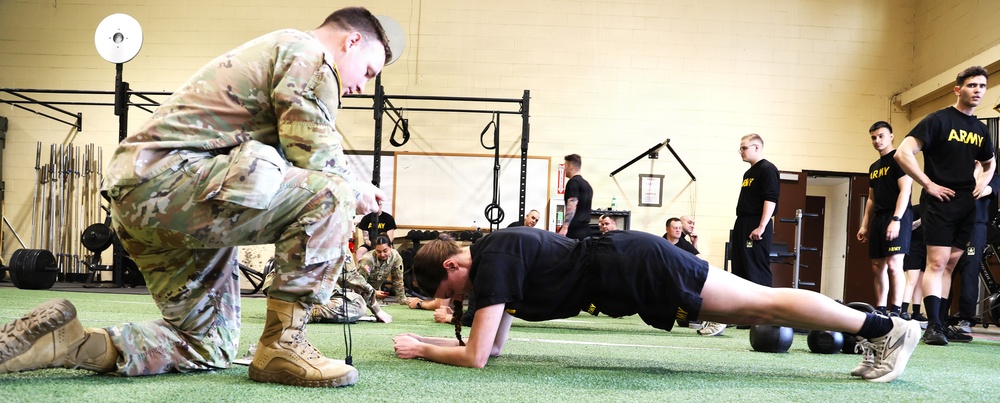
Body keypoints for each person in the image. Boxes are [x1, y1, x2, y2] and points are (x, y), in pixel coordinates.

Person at [0, 7, 391, 388]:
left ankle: (69, 343)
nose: (361, 85)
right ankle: (283, 344)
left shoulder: (281, 51)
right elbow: (315, 154)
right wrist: (354, 192)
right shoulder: (309, 52)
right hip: (169, 185)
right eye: (369, 71)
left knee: (209, 344)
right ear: (352, 41)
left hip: (157, 200)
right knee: (331, 193)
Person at [392, 228, 921, 383]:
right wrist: (434, 341)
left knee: (766, 302)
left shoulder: (495, 257)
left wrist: (420, 348)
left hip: (637, 264)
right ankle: (880, 330)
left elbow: (478, 357)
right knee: (763, 311)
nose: (461, 302)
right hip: (632, 275)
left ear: (452, 268)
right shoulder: (492, 258)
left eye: (452, 294)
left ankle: (886, 328)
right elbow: (495, 346)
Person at [894, 65, 996, 346]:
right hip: (940, 201)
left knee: (950, 264)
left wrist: (984, 182)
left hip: (966, 204)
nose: (977, 91)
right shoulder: (938, 120)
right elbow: (903, 153)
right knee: (936, 263)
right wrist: (928, 184)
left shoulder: (980, 129)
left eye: (982, 87)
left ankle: (941, 322)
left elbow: (990, 162)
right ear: (958, 89)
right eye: (972, 85)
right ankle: (933, 325)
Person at [705, 134, 779, 337]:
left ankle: (764, 316)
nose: (741, 152)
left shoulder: (767, 169)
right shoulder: (748, 173)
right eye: (740, 148)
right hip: (743, 222)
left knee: (756, 267)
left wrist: (762, 226)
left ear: (756, 147)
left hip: (757, 222)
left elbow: (770, 199)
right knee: (741, 267)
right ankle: (745, 316)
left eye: (744, 148)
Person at [856, 121, 912, 317]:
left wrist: (896, 219)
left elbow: (905, 191)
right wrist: (864, 225)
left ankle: (897, 310)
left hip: (897, 215)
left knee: (895, 264)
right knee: (877, 266)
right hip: (879, 218)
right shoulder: (874, 167)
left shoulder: (901, 160)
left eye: (881, 136)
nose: (877, 140)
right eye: (873, 137)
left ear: (891, 136)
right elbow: (871, 199)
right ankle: (880, 310)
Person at [951, 164, 1000, 333]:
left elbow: (978, 192)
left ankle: (966, 319)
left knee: (970, 272)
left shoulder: (993, 177)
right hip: (954, 226)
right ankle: (938, 319)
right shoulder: (960, 171)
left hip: (976, 227)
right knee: (945, 270)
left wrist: (978, 171)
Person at [359, 235, 408, 306]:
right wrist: (373, 292)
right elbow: (359, 282)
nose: (382, 254)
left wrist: (402, 300)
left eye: (385, 251)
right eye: (378, 251)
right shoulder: (367, 260)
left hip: (376, 297)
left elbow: (398, 280)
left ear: (391, 247)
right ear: (374, 249)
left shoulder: (395, 257)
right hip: (361, 295)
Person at [901, 203, 928, 326]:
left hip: (926, 249)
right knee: (912, 280)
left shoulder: (936, 212)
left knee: (920, 282)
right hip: (913, 248)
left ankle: (916, 312)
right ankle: (904, 310)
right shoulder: (916, 209)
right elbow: (907, 227)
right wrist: (921, 221)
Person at [557, 154, 593, 240]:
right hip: (586, 232)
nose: (564, 169)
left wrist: (565, 228)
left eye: (565, 166)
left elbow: (572, 204)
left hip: (574, 232)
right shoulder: (587, 185)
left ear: (570, 166)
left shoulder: (573, 182)